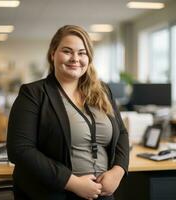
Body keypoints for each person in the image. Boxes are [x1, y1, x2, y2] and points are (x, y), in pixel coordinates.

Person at [7, 25, 129, 200]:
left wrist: (118, 171)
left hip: (102, 193)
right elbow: (19, 149)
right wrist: (73, 183)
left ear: (89, 58)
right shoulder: (34, 93)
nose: (75, 58)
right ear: (52, 54)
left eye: (82, 53)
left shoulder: (103, 91)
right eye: (67, 51)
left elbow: (122, 133)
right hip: (56, 192)